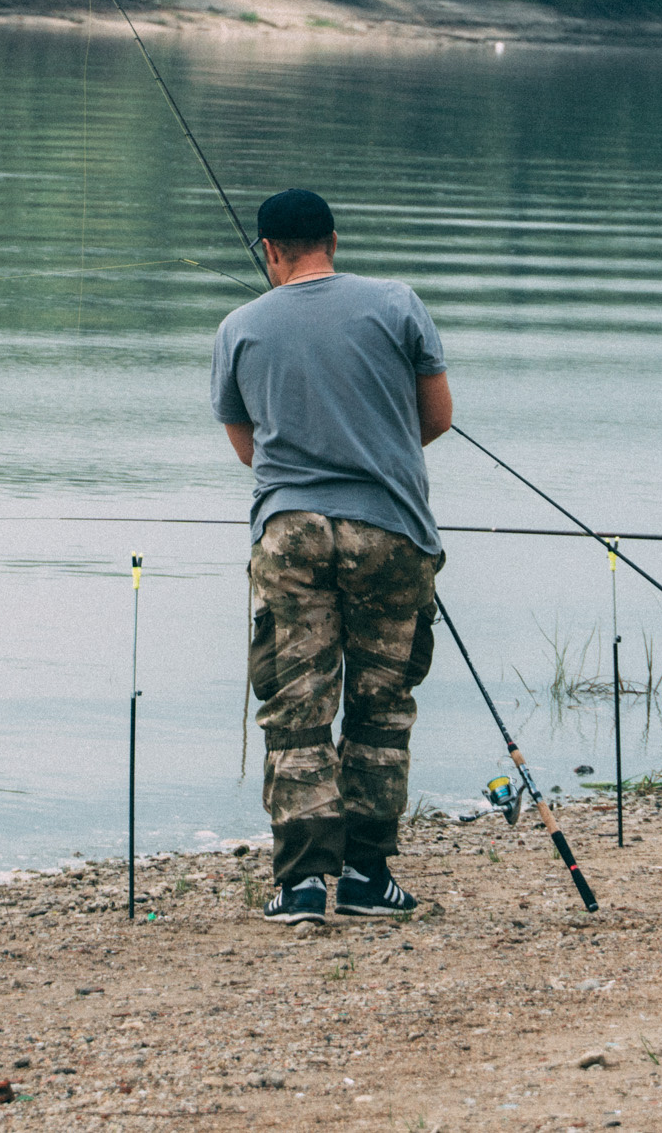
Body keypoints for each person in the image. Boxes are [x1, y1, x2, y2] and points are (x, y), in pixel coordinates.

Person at [211, 188, 452, 923]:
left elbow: (248, 447)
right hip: (390, 530)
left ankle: (303, 884)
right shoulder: (398, 304)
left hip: (291, 532)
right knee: (382, 705)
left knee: (297, 708)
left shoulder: (240, 327)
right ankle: (369, 877)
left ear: (269, 252)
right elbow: (435, 420)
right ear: (335, 240)